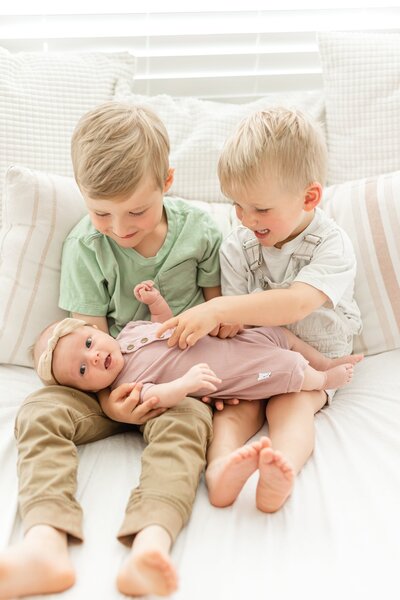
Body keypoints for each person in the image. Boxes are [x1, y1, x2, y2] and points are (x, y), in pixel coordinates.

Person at [0, 102, 232, 599]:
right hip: (104, 380)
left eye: (137, 211)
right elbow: (88, 339)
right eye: (101, 211)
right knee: (40, 409)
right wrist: (108, 399)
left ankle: (152, 543)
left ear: (167, 181)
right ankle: (44, 542)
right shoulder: (86, 245)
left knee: (189, 424)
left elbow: (222, 320)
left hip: (174, 380)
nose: (120, 227)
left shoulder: (201, 234)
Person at [156, 107, 363, 513]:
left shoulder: (332, 246)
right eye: (237, 205)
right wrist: (221, 332)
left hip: (313, 360)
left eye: (261, 209)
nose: (248, 219)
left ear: (309, 197)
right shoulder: (238, 244)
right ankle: (220, 472)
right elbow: (237, 324)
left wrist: (218, 308)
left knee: (294, 406)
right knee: (236, 412)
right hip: (259, 356)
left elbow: (296, 303)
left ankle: (280, 469)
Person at [33, 282, 360, 414]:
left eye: (88, 343)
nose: (92, 356)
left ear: (94, 330)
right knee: (288, 368)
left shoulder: (129, 331)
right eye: (81, 369)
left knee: (279, 335)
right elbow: (157, 396)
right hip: (228, 373)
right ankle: (323, 382)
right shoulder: (125, 387)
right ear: (83, 390)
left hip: (229, 343)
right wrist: (186, 385)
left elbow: (165, 324)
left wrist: (155, 302)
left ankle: (325, 361)